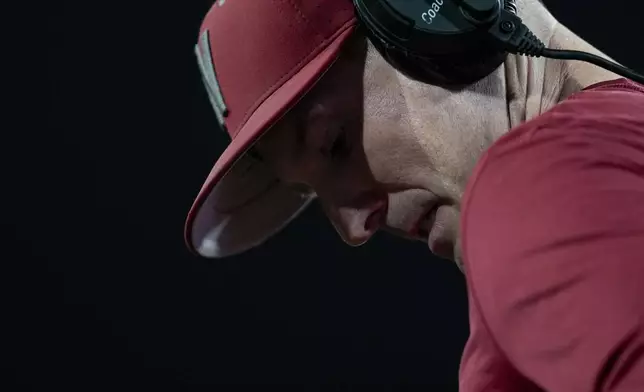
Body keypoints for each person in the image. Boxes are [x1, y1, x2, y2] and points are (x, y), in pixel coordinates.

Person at [186, 0, 644, 390]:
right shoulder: (612, 148)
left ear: (439, 13)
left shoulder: (530, 187)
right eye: (310, 191)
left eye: (335, 143)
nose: (353, 228)